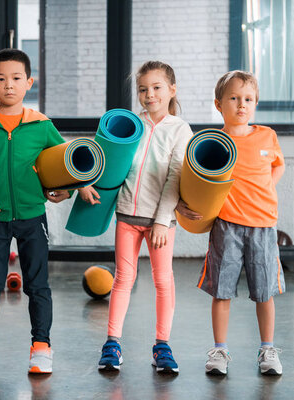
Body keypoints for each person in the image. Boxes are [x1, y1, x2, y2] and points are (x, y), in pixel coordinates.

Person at [0, 48, 74, 374]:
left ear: (29, 82)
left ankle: (41, 346)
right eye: (1, 79)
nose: (9, 85)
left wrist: (68, 190)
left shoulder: (41, 125)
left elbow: (65, 165)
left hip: (32, 216)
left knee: (37, 284)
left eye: (16, 78)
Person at [80, 61, 195, 373]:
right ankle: (112, 343)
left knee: (163, 281)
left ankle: (162, 346)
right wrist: (86, 181)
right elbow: (107, 157)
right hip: (127, 215)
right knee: (123, 279)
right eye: (143, 89)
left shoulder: (180, 129)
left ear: (172, 90)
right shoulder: (133, 124)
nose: (149, 94)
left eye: (157, 88)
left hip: (160, 223)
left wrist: (161, 219)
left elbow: (174, 176)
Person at [196, 71, 285, 376]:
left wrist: (268, 188)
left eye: (247, 99)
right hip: (227, 226)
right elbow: (198, 180)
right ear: (219, 104)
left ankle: (267, 349)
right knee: (222, 291)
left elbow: (278, 164)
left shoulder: (267, 136)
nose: (241, 104)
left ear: (255, 103)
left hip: (263, 225)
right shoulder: (214, 141)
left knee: (264, 291)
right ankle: (220, 350)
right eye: (233, 98)